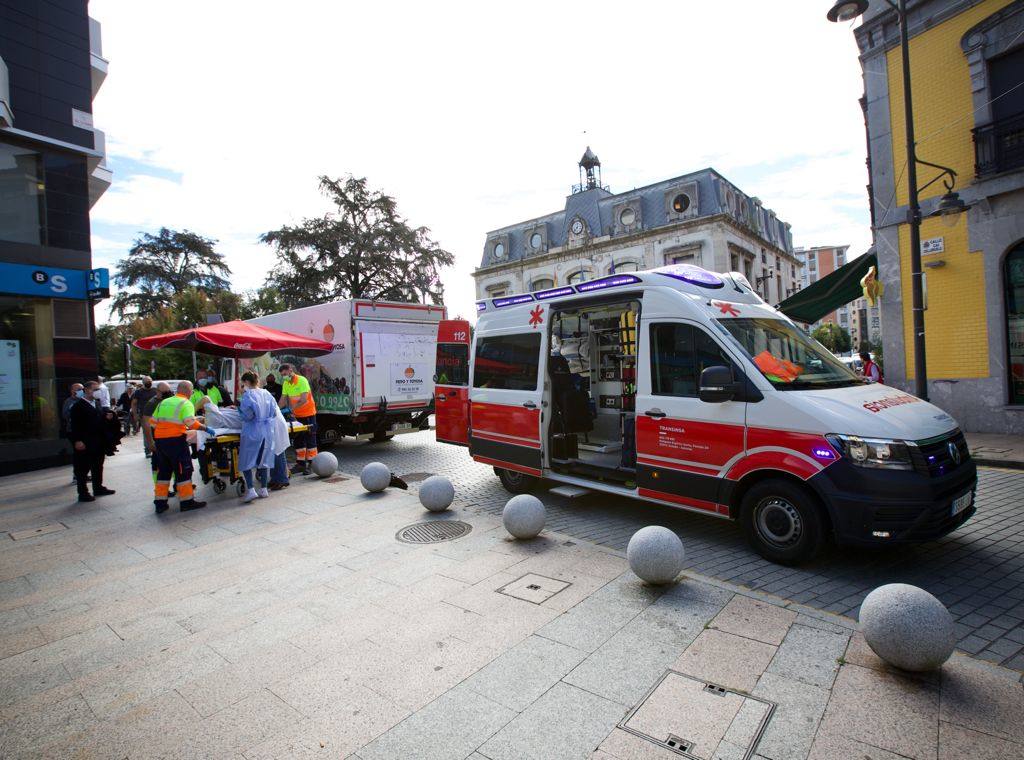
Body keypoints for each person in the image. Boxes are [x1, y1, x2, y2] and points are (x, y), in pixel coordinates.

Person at [151, 379, 213, 514]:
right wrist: (205, 428)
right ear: (187, 391)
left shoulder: (164, 402)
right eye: (191, 390)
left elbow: (153, 423)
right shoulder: (186, 403)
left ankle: (160, 503)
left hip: (160, 442)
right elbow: (191, 423)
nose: (191, 393)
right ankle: (187, 502)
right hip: (176, 442)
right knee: (183, 471)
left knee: (164, 472)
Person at [69, 381, 116, 502]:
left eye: (98, 390)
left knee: (98, 465)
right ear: (86, 390)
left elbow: (98, 420)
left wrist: (107, 418)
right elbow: (75, 425)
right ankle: (83, 492)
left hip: (98, 441)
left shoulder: (97, 403)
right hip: (85, 441)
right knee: (83, 468)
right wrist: (78, 440)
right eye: (95, 390)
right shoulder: (78, 406)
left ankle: (98, 487)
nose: (97, 392)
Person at [237, 371, 276, 503]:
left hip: (252, 430)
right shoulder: (266, 393)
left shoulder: (248, 396)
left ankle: (251, 490)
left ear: (246, 382)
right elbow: (274, 412)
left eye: (243, 384)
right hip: (267, 430)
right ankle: (264, 489)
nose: (243, 386)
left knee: (246, 460)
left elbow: (247, 416)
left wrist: (238, 409)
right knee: (264, 459)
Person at [278, 363, 317, 475]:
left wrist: (290, 409)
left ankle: (312, 464)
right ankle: (300, 464)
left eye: (285, 374)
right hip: (297, 416)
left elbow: (304, 400)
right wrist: (276, 409)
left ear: (290, 370)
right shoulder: (286, 383)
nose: (284, 376)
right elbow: (283, 399)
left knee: (310, 439)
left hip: (309, 414)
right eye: (282, 375)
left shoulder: (302, 380)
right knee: (299, 440)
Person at [63, 382, 84, 486]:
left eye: (82, 389)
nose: (82, 391)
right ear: (73, 391)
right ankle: (77, 475)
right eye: (79, 389)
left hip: (84, 430)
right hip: (73, 431)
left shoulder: (83, 401)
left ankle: (83, 473)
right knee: (78, 453)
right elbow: (66, 416)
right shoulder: (69, 402)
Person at [133, 377, 158, 456]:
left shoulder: (155, 390)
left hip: (155, 415)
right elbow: (134, 403)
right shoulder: (138, 392)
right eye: (147, 382)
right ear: (143, 382)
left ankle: (156, 448)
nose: (149, 383)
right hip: (144, 415)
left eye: (150, 381)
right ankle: (148, 450)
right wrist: (135, 414)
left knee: (156, 431)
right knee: (146, 432)